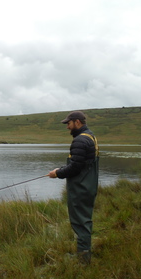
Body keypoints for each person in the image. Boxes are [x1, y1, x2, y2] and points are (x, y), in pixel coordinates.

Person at [47, 111, 99, 265]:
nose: (67, 127)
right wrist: (62, 169)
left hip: (80, 188)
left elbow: (76, 167)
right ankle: (84, 254)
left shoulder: (80, 141)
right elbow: (80, 162)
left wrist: (58, 173)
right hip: (87, 185)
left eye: (68, 124)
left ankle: (83, 261)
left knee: (80, 222)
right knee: (84, 220)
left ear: (77, 122)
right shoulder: (91, 136)